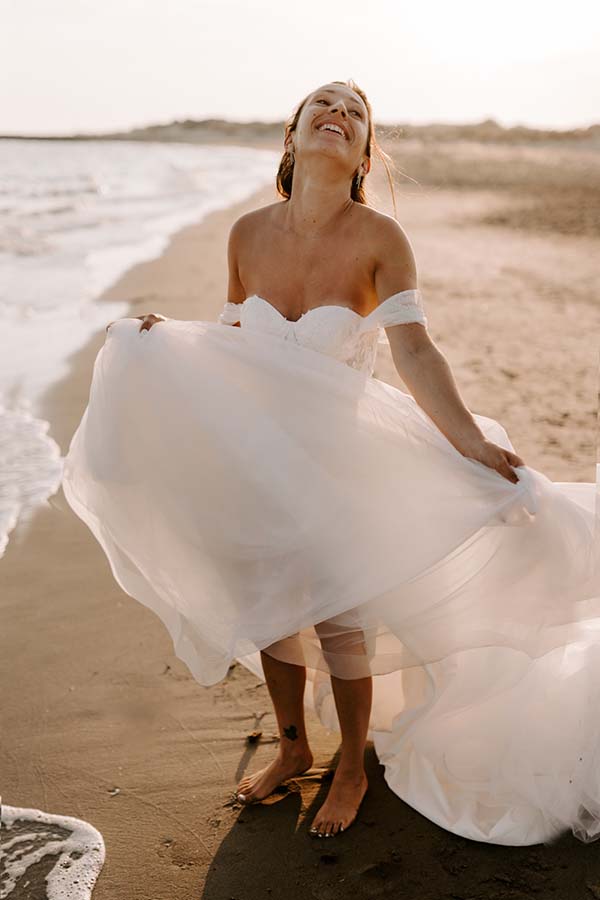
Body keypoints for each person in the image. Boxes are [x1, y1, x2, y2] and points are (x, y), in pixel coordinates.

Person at [65, 80, 600, 846]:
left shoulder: (380, 239)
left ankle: (351, 766)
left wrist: (468, 443)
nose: (338, 115)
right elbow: (231, 342)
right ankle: (293, 748)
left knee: (338, 620)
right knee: (267, 608)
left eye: (355, 113)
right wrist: (163, 340)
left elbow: (414, 350)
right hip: (249, 452)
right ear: (293, 135)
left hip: (335, 460)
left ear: (363, 154)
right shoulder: (246, 233)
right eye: (324, 103)